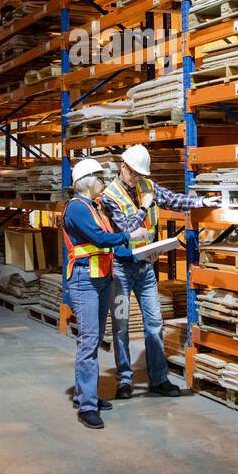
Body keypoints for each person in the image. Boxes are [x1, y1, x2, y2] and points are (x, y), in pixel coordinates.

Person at [98, 144, 220, 399]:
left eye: (142, 175)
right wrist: (144, 207)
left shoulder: (148, 187)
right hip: (121, 270)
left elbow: (175, 200)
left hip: (145, 269)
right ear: (123, 168)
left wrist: (201, 201)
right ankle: (124, 380)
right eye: (135, 174)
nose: (138, 179)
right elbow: (127, 230)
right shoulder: (109, 196)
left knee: (154, 323)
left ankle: (158, 378)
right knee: (121, 326)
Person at [61, 157, 132, 429]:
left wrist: (138, 252)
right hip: (84, 280)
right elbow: (101, 239)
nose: (104, 183)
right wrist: (128, 236)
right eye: (101, 179)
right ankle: (87, 406)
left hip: (101, 277)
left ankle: (85, 393)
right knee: (89, 342)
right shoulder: (77, 208)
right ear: (89, 181)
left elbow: (107, 244)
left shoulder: (95, 207)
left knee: (95, 338)